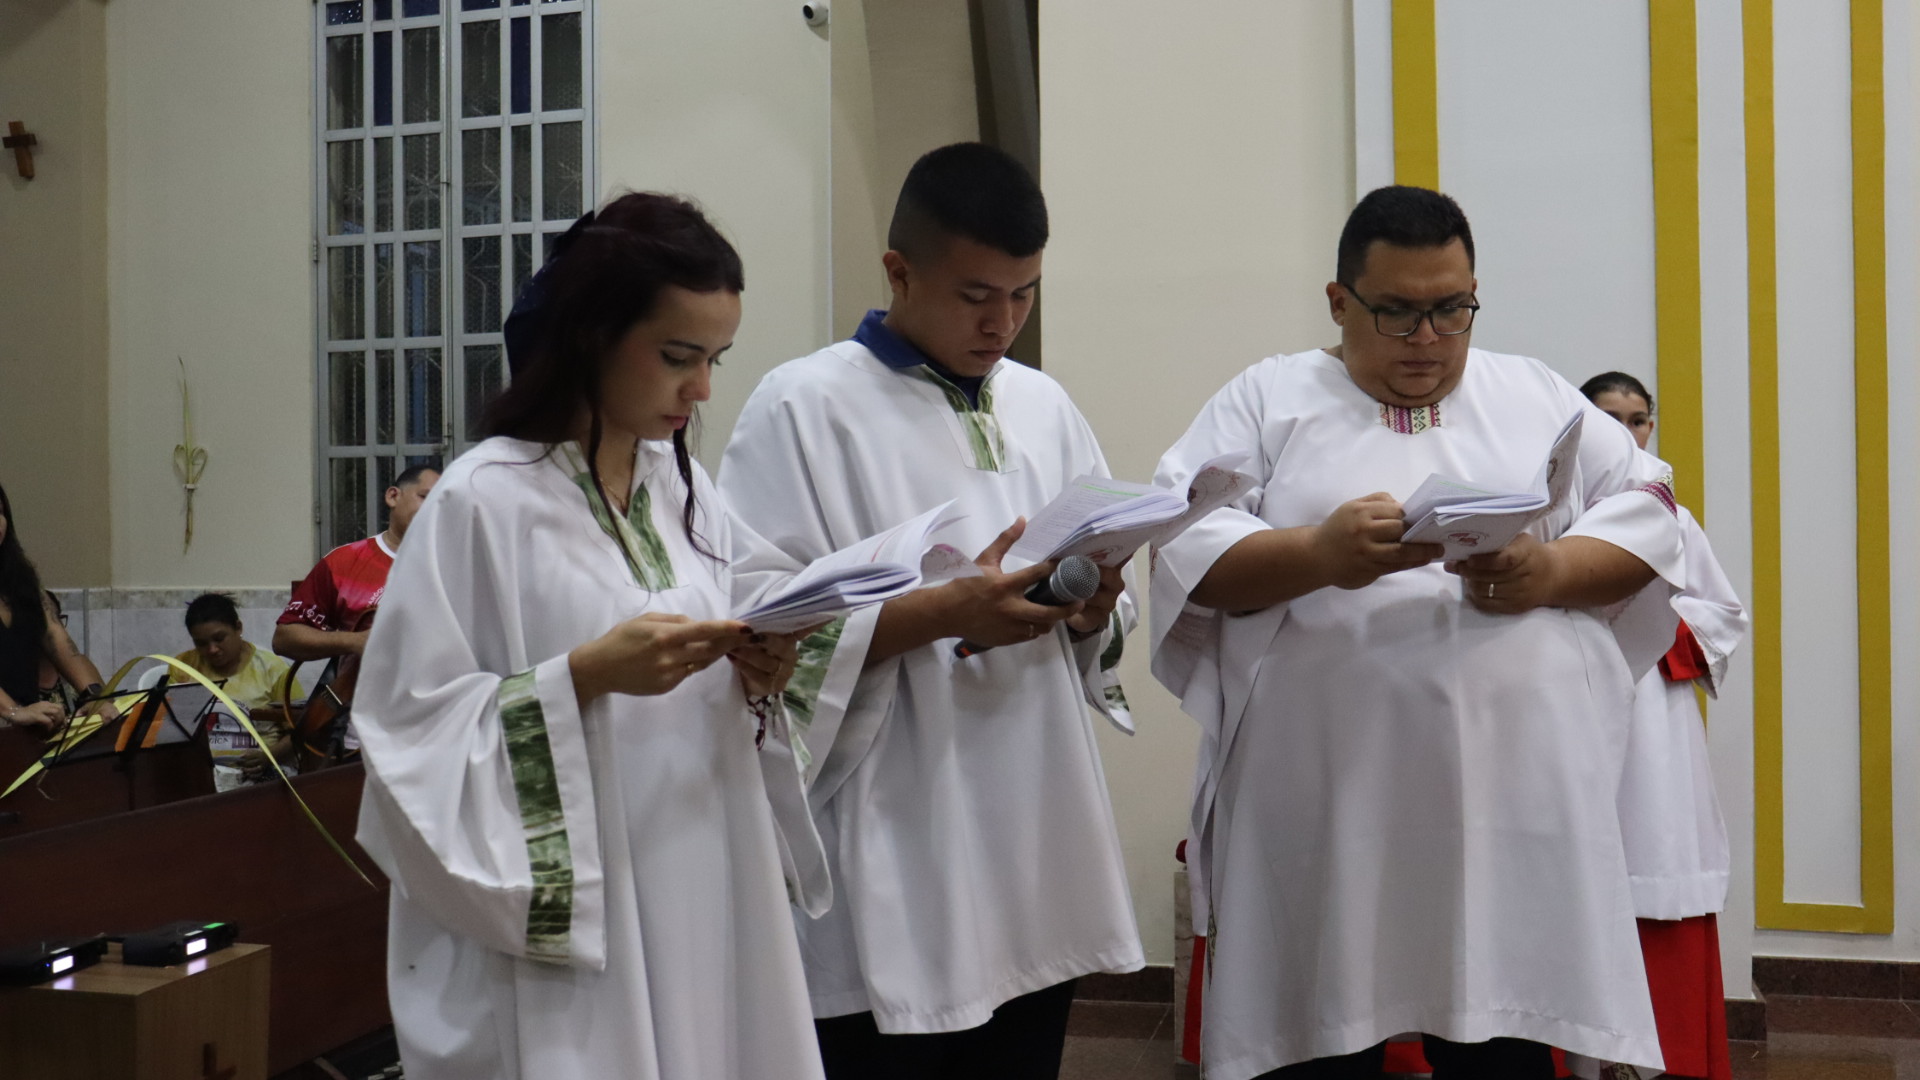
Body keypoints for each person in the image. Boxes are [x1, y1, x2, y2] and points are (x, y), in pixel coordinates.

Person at [1149, 186, 1684, 1079]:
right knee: (1322, 1031)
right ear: (1338, 301)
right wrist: (1318, 554)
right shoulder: (1270, 397)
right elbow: (1180, 550)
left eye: (1452, 309)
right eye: (1397, 312)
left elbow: (1653, 516)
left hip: (1509, 803)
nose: (1429, 339)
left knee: (1502, 1036)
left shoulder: (1533, 392)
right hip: (1327, 798)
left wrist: (1550, 571)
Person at [351, 192, 828, 1080]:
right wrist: (581, 677)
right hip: (584, 905)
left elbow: (752, 624)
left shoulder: (683, 491)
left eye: (715, 360)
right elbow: (407, 731)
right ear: (592, 336)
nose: (702, 390)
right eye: (678, 357)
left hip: (703, 865)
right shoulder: (483, 499)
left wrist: (764, 663)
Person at [720, 142, 1142, 1080]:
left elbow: (1104, 603)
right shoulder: (803, 405)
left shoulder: (1044, 404)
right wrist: (942, 615)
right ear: (899, 271)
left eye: (1024, 295)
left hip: (1037, 824)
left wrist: (1092, 607)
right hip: (900, 824)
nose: (1003, 322)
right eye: (975, 294)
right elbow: (752, 635)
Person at [1574, 372, 1744, 1080]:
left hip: (1655, 720)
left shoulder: (1674, 520)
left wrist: (1663, 636)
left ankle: (1657, 1058)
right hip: (1571, 708)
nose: (1627, 431)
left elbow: (1721, 614)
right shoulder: (1556, 512)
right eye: (1609, 417)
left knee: (1653, 853)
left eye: (1638, 418)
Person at [274, 464, 438, 757]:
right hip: (359, 742)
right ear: (393, 496)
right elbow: (285, 638)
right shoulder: (345, 563)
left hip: (439, 736)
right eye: (426, 497)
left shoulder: (462, 565)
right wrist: (356, 642)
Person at [0, 483, 116, 736]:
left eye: (0, 512)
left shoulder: (22, 580)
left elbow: (60, 642)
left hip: (22, 735)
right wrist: (13, 711)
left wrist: (95, 697)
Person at [173, 592, 304, 791]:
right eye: (201, 643)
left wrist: (269, 756)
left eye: (219, 639)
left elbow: (301, 731)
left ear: (238, 628)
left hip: (261, 771)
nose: (212, 649)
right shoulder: (183, 668)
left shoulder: (272, 669)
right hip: (202, 771)